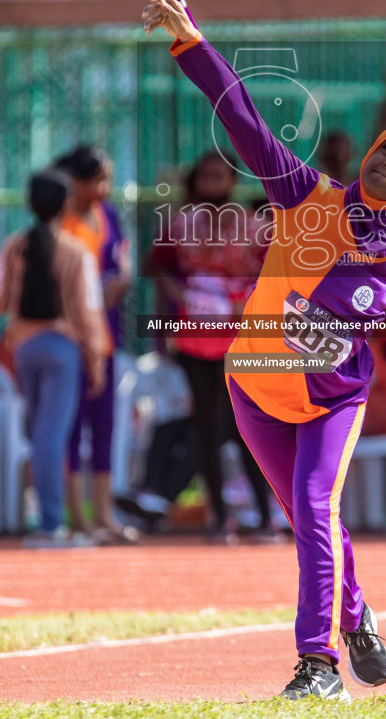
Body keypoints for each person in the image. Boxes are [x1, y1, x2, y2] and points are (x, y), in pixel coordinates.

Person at [143, 0, 386, 701]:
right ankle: (356, 618)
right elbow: (244, 116)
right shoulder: (304, 194)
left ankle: (317, 667)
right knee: (306, 518)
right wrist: (191, 42)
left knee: (316, 510)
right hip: (255, 384)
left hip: (332, 399)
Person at [0, 170, 107, 546]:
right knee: (51, 437)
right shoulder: (77, 252)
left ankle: (50, 518)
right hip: (62, 349)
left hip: (24, 349)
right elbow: (87, 311)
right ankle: (51, 523)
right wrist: (95, 358)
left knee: (41, 434)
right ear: (66, 205)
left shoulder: (14, 246)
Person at [145, 151, 273, 541]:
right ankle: (220, 518)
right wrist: (179, 293)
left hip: (243, 338)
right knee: (206, 425)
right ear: (196, 182)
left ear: (233, 182)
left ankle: (266, 517)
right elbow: (156, 267)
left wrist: (245, 300)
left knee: (249, 424)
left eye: (221, 177)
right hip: (195, 338)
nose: (213, 184)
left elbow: (276, 273)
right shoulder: (179, 225)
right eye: (206, 177)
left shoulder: (255, 226)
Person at [56, 144, 137, 543]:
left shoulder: (108, 215)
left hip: (105, 336)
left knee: (103, 427)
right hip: (72, 338)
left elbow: (121, 261)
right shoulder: (62, 221)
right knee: (71, 430)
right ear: (78, 182)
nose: (107, 186)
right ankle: (76, 516)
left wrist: (121, 278)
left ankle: (104, 514)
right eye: (100, 178)